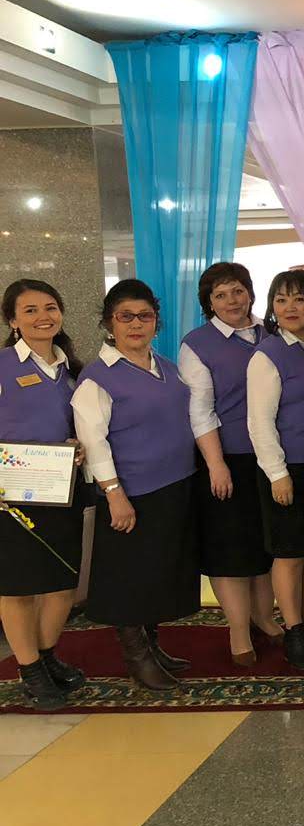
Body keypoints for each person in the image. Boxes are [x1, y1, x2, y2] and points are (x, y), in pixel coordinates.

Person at [71, 280, 199, 691]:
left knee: (158, 572)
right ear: (109, 323)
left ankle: (153, 646)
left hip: (174, 485)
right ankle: (136, 657)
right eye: (125, 316)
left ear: (156, 322)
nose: (136, 324)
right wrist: (115, 495)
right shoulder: (97, 378)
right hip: (131, 492)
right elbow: (94, 441)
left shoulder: (168, 367)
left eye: (145, 316)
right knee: (130, 577)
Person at [180, 262, 278, 667]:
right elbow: (199, 411)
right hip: (227, 459)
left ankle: (264, 617)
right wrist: (216, 464)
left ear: (250, 293)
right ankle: (239, 630)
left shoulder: (272, 334)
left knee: (266, 544)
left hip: (274, 459)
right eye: (220, 295)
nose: (232, 301)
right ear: (209, 303)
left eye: (237, 291)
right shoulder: (197, 344)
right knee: (231, 549)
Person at [0, 280, 88, 709]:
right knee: (17, 587)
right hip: (11, 494)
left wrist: (78, 444)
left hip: (62, 490)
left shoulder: (72, 370)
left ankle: (47, 655)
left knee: (61, 582)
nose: (43, 317)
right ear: (13, 321)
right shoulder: (3, 367)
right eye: (30, 310)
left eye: (50, 307)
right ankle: (30, 669)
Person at [246, 269, 304, 670]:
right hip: (286, 468)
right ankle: (294, 629)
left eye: (299, 299)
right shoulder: (268, 354)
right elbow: (259, 422)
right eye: (281, 300)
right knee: (290, 553)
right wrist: (277, 473)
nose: (290, 308)